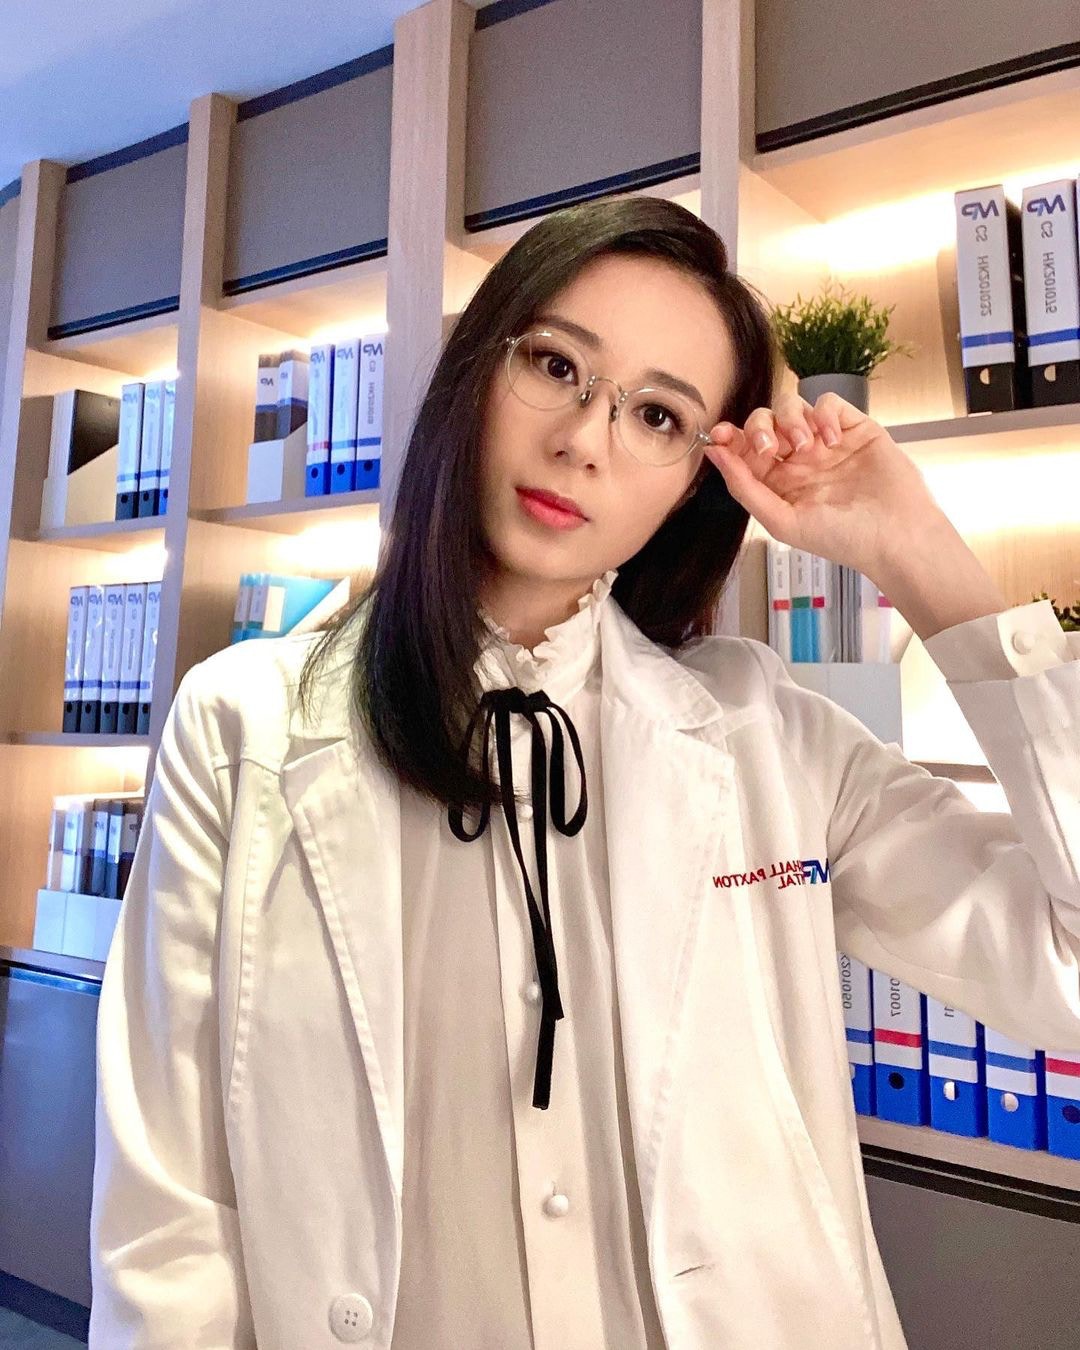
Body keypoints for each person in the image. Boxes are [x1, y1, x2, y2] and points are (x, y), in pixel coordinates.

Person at [89, 194, 1080, 1349]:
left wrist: (922, 554)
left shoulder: (768, 735)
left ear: (694, 481)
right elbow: (170, 1224)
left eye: (659, 416)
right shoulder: (244, 724)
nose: (585, 440)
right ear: (477, 369)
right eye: (556, 366)